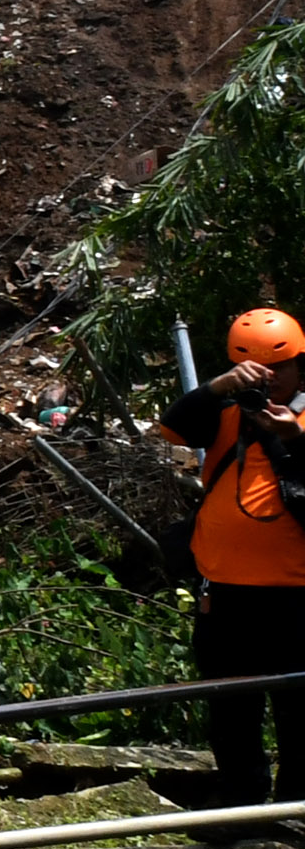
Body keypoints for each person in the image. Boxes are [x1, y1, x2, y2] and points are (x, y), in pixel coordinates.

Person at [157, 307, 305, 806]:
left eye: (278, 368)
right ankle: (242, 808)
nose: (269, 379)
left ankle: (296, 812)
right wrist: (219, 387)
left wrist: (293, 439)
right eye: (257, 369)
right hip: (226, 592)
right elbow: (171, 429)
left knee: (299, 712)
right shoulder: (225, 414)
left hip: (297, 595)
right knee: (230, 709)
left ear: (300, 365)